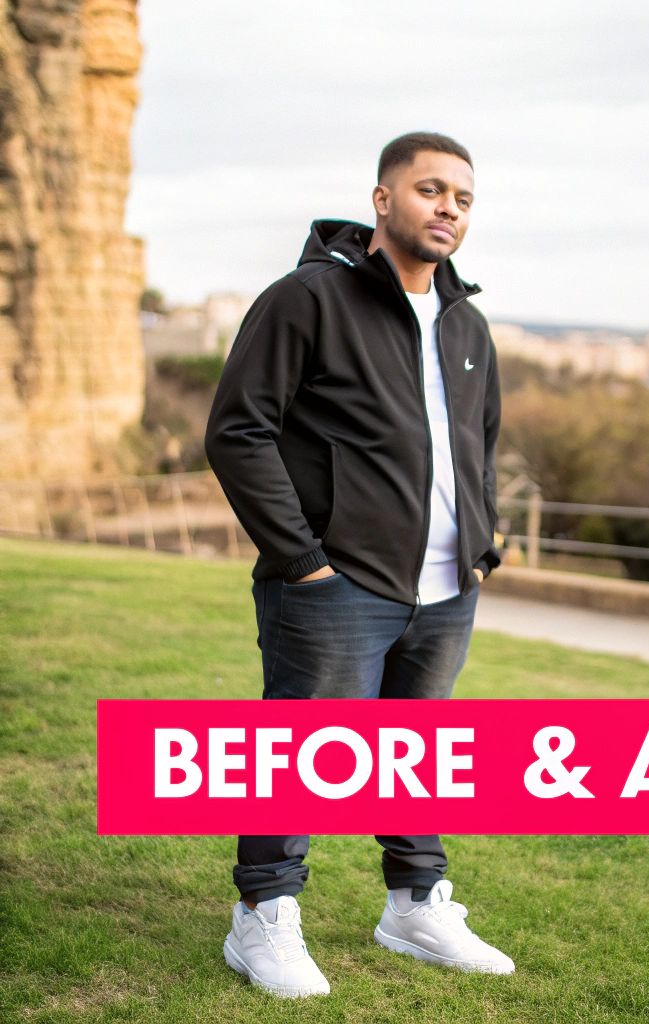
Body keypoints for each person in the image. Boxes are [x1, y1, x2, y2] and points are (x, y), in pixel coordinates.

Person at [204, 131, 513, 998]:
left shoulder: (467, 323)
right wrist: (301, 560)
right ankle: (260, 918)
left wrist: (484, 543)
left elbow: (479, 447)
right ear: (383, 200)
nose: (448, 207)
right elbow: (238, 431)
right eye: (430, 189)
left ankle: (414, 906)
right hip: (337, 584)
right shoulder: (307, 300)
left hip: (447, 590)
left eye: (463, 197)